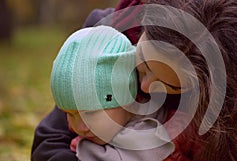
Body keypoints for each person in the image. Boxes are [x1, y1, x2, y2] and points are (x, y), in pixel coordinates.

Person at [31, 0, 237, 160]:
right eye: (143, 63)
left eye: (167, 84)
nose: (144, 85)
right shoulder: (103, 42)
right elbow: (49, 140)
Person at [49, 25, 175, 161]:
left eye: (90, 113)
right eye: (70, 114)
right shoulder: (105, 126)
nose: (80, 126)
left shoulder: (145, 140)